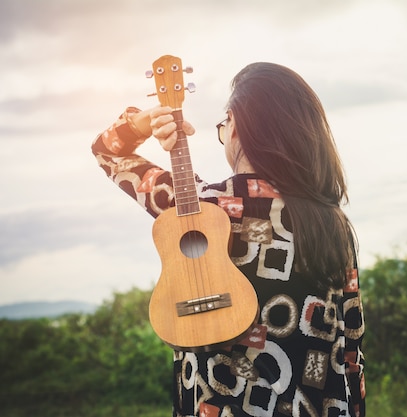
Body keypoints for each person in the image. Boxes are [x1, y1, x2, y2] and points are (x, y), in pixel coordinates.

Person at [91, 62, 365, 417]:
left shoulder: (198, 208)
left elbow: (107, 151)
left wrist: (146, 120)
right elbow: (351, 350)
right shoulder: (332, 222)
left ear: (236, 127)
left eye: (225, 124)